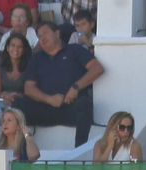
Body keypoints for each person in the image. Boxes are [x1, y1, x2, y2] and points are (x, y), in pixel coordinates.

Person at [21, 19, 100, 147]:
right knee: (19, 105)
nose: (42, 39)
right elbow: (28, 88)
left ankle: (79, 151)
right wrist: (49, 99)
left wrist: (75, 88)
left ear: (57, 33)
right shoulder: (36, 58)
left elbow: (97, 68)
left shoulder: (75, 50)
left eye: (45, 34)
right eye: (39, 36)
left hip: (70, 107)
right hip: (45, 108)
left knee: (85, 104)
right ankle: (21, 153)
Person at [0, 33, 28, 147]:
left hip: (21, 103)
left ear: (24, 50)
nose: (16, 49)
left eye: (19, 46)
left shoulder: (29, 67)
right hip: (3, 103)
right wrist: (5, 97)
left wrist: (15, 96)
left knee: (14, 113)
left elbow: (30, 91)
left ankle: (18, 147)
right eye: (13, 45)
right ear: (7, 48)